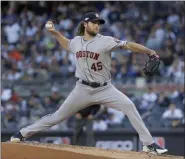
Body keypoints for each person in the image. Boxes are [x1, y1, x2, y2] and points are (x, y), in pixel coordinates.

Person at [11, 12, 168, 154]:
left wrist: (149, 51)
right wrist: (55, 33)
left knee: (129, 106)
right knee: (57, 117)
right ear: (85, 24)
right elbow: (67, 44)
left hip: (105, 89)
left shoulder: (106, 41)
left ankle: (149, 144)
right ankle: (23, 133)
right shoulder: (76, 42)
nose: (97, 25)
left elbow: (128, 45)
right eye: (94, 22)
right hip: (82, 89)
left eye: (98, 23)